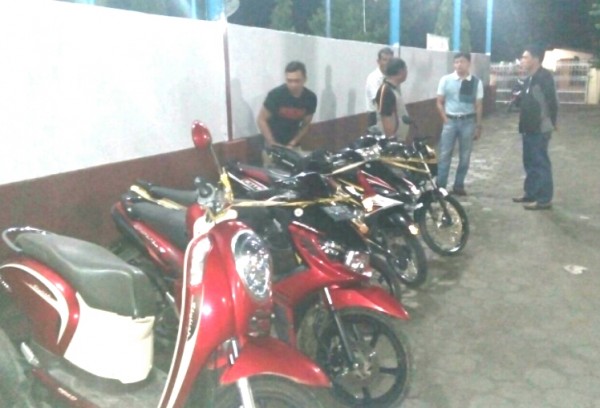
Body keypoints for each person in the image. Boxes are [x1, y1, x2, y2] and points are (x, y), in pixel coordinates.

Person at [512, 44, 558, 210]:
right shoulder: (529, 78)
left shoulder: (544, 77)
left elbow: (551, 102)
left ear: (536, 59)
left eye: (525, 57)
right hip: (528, 127)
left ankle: (544, 199)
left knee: (540, 163)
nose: (522, 60)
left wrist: (552, 122)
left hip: (540, 128)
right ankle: (530, 193)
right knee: (529, 161)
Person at [435, 52, 484, 196]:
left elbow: (478, 105)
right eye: (456, 62)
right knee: (444, 155)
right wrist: (445, 118)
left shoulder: (476, 82)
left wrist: (478, 125)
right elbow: (439, 102)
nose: (459, 65)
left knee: (465, 156)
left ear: (469, 63)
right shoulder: (446, 80)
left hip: (468, 121)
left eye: (462, 62)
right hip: (450, 121)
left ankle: (458, 185)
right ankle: (440, 186)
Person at [257, 61, 317, 152]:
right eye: (289, 81)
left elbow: (305, 124)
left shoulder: (310, 98)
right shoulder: (275, 95)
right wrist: (272, 143)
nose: (293, 85)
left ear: (305, 79)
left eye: (297, 81)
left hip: (293, 145)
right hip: (272, 145)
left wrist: (293, 143)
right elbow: (261, 119)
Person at [374, 57, 409, 139]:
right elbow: (386, 118)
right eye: (406, 69)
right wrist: (391, 140)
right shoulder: (386, 91)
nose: (407, 72)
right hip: (391, 142)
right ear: (401, 71)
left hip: (398, 140)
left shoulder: (393, 89)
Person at [365, 47, 394, 128]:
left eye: (390, 60)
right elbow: (378, 100)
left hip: (390, 115)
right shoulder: (373, 78)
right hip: (376, 116)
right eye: (385, 60)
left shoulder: (391, 77)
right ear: (378, 61)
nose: (387, 63)